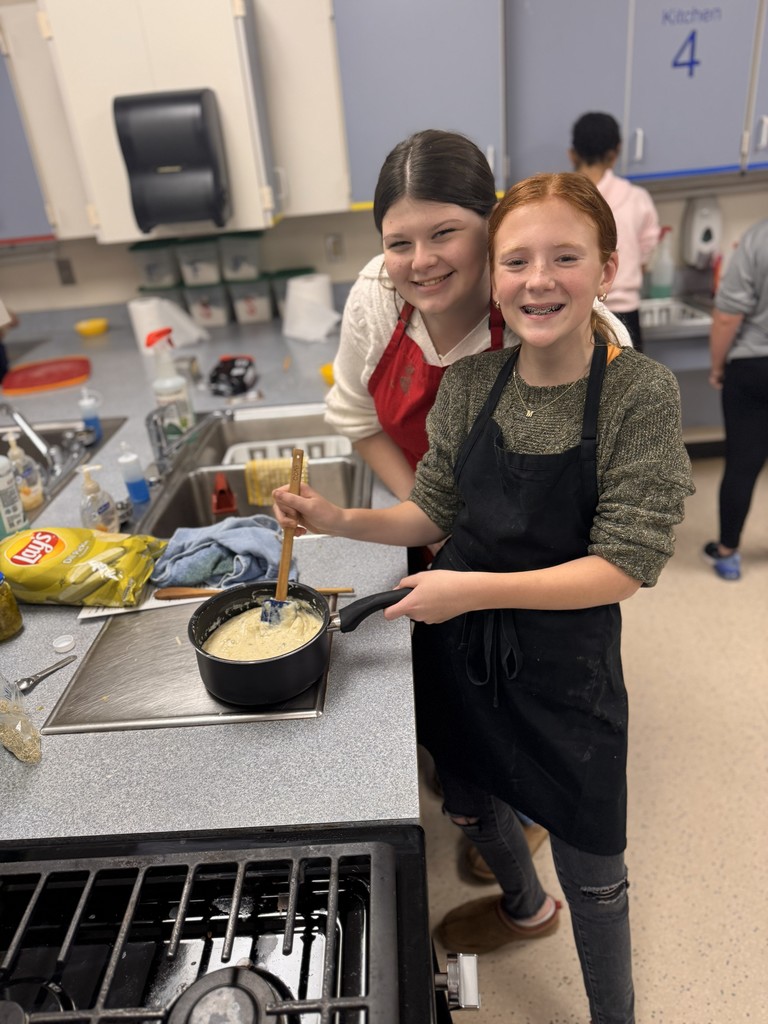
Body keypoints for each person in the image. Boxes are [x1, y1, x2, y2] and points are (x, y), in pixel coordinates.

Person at [275, 172, 694, 1024]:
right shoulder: (471, 388)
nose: (540, 279)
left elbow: (624, 566)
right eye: (518, 261)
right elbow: (433, 510)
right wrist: (337, 516)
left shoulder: (637, 392)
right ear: (495, 278)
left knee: (594, 856)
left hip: (565, 666)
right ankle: (523, 903)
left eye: (565, 257)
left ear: (606, 270)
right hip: (459, 648)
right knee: (468, 799)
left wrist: (470, 590)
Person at [325, 129, 629, 872]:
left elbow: (612, 525)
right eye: (400, 241)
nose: (421, 261)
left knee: (534, 703)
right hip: (436, 525)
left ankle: (527, 813)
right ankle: (484, 796)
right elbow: (358, 418)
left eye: (446, 233)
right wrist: (435, 514)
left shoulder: (572, 329)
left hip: (546, 557)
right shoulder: (378, 296)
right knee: (463, 699)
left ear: (490, 225)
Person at [704, 217, 768, 581]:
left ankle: (727, 552)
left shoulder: (758, 239)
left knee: (743, 463)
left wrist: (717, 367)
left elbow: (727, 317)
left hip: (753, 363)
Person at [569, 111, 660, 351]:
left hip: (574, 315)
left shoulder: (560, 201)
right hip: (626, 314)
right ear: (615, 153)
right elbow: (645, 257)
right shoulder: (637, 199)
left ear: (572, 154)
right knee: (629, 386)